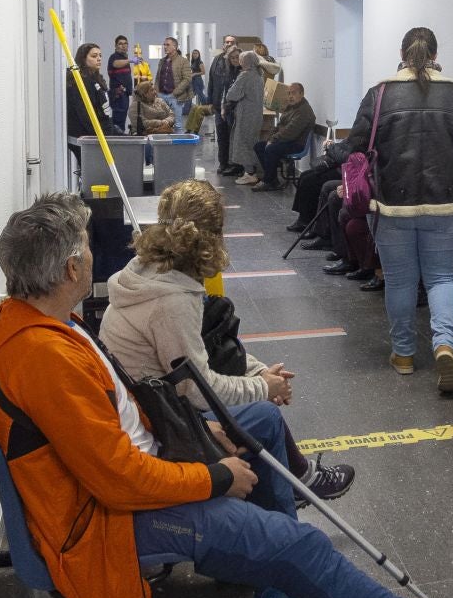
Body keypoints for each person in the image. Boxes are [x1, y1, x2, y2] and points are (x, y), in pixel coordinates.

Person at [0, 193, 453, 598]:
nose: (92, 252)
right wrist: (218, 476)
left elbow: (119, 423)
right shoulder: (45, 357)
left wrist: (197, 433)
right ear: (71, 269)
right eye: (85, 246)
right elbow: (119, 480)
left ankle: (282, 569)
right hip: (107, 521)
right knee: (301, 547)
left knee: (260, 441)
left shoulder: (44, 326)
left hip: (123, 486)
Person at [100, 179, 352, 505]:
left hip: (154, 403)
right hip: (161, 424)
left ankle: (296, 481)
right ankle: (287, 504)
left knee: (259, 404)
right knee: (265, 416)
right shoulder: (173, 301)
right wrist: (264, 387)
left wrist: (260, 373)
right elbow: (199, 391)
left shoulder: (152, 269)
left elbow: (207, 349)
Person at [325, 27, 453, 395]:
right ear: (435, 54)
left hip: (392, 206)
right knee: (444, 278)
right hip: (449, 205)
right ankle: (444, 345)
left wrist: (331, 153)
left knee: (400, 281)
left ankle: (404, 355)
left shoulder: (381, 93)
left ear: (402, 53)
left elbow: (356, 147)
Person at [251, 83, 314, 192]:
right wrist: (270, 138)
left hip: (297, 144)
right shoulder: (291, 107)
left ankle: (268, 181)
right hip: (287, 141)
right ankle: (272, 179)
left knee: (271, 149)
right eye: (288, 93)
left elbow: (291, 132)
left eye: (293, 93)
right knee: (259, 146)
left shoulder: (304, 111)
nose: (290, 96)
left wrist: (273, 140)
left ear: (302, 94)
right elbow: (279, 125)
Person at [67, 42, 115, 176]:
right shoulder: (79, 81)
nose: (98, 59)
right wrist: (95, 138)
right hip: (88, 137)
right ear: (83, 58)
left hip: (103, 133)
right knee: (93, 174)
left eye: (100, 55)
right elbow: (84, 114)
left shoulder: (95, 78)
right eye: (94, 56)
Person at [221, 50, 265, 182]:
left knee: (243, 143)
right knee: (252, 142)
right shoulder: (259, 75)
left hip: (246, 115)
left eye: (241, 60)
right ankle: (252, 171)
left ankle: (250, 173)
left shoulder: (245, 76)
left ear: (245, 62)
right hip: (256, 114)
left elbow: (231, 95)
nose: (239, 62)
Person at [212, 38, 241, 173]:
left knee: (232, 137)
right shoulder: (219, 62)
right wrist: (212, 102)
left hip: (233, 109)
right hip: (220, 107)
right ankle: (223, 163)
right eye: (232, 58)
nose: (235, 60)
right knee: (221, 136)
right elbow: (213, 82)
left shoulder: (242, 71)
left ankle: (234, 165)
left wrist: (227, 107)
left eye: (237, 57)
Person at [157, 37, 192, 122]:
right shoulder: (162, 61)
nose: (165, 47)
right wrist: (156, 92)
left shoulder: (183, 61)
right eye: (164, 45)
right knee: (163, 124)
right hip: (161, 96)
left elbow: (187, 79)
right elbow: (158, 78)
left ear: (175, 47)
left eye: (167, 45)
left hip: (175, 97)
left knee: (177, 124)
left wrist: (174, 93)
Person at [105, 36, 133, 130]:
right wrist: (130, 60)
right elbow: (116, 63)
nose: (123, 46)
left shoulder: (124, 58)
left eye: (125, 43)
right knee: (118, 121)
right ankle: (117, 137)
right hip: (118, 94)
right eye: (120, 44)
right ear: (116, 46)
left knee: (121, 119)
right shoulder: (114, 57)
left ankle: (119, 136)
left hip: (124, 94)